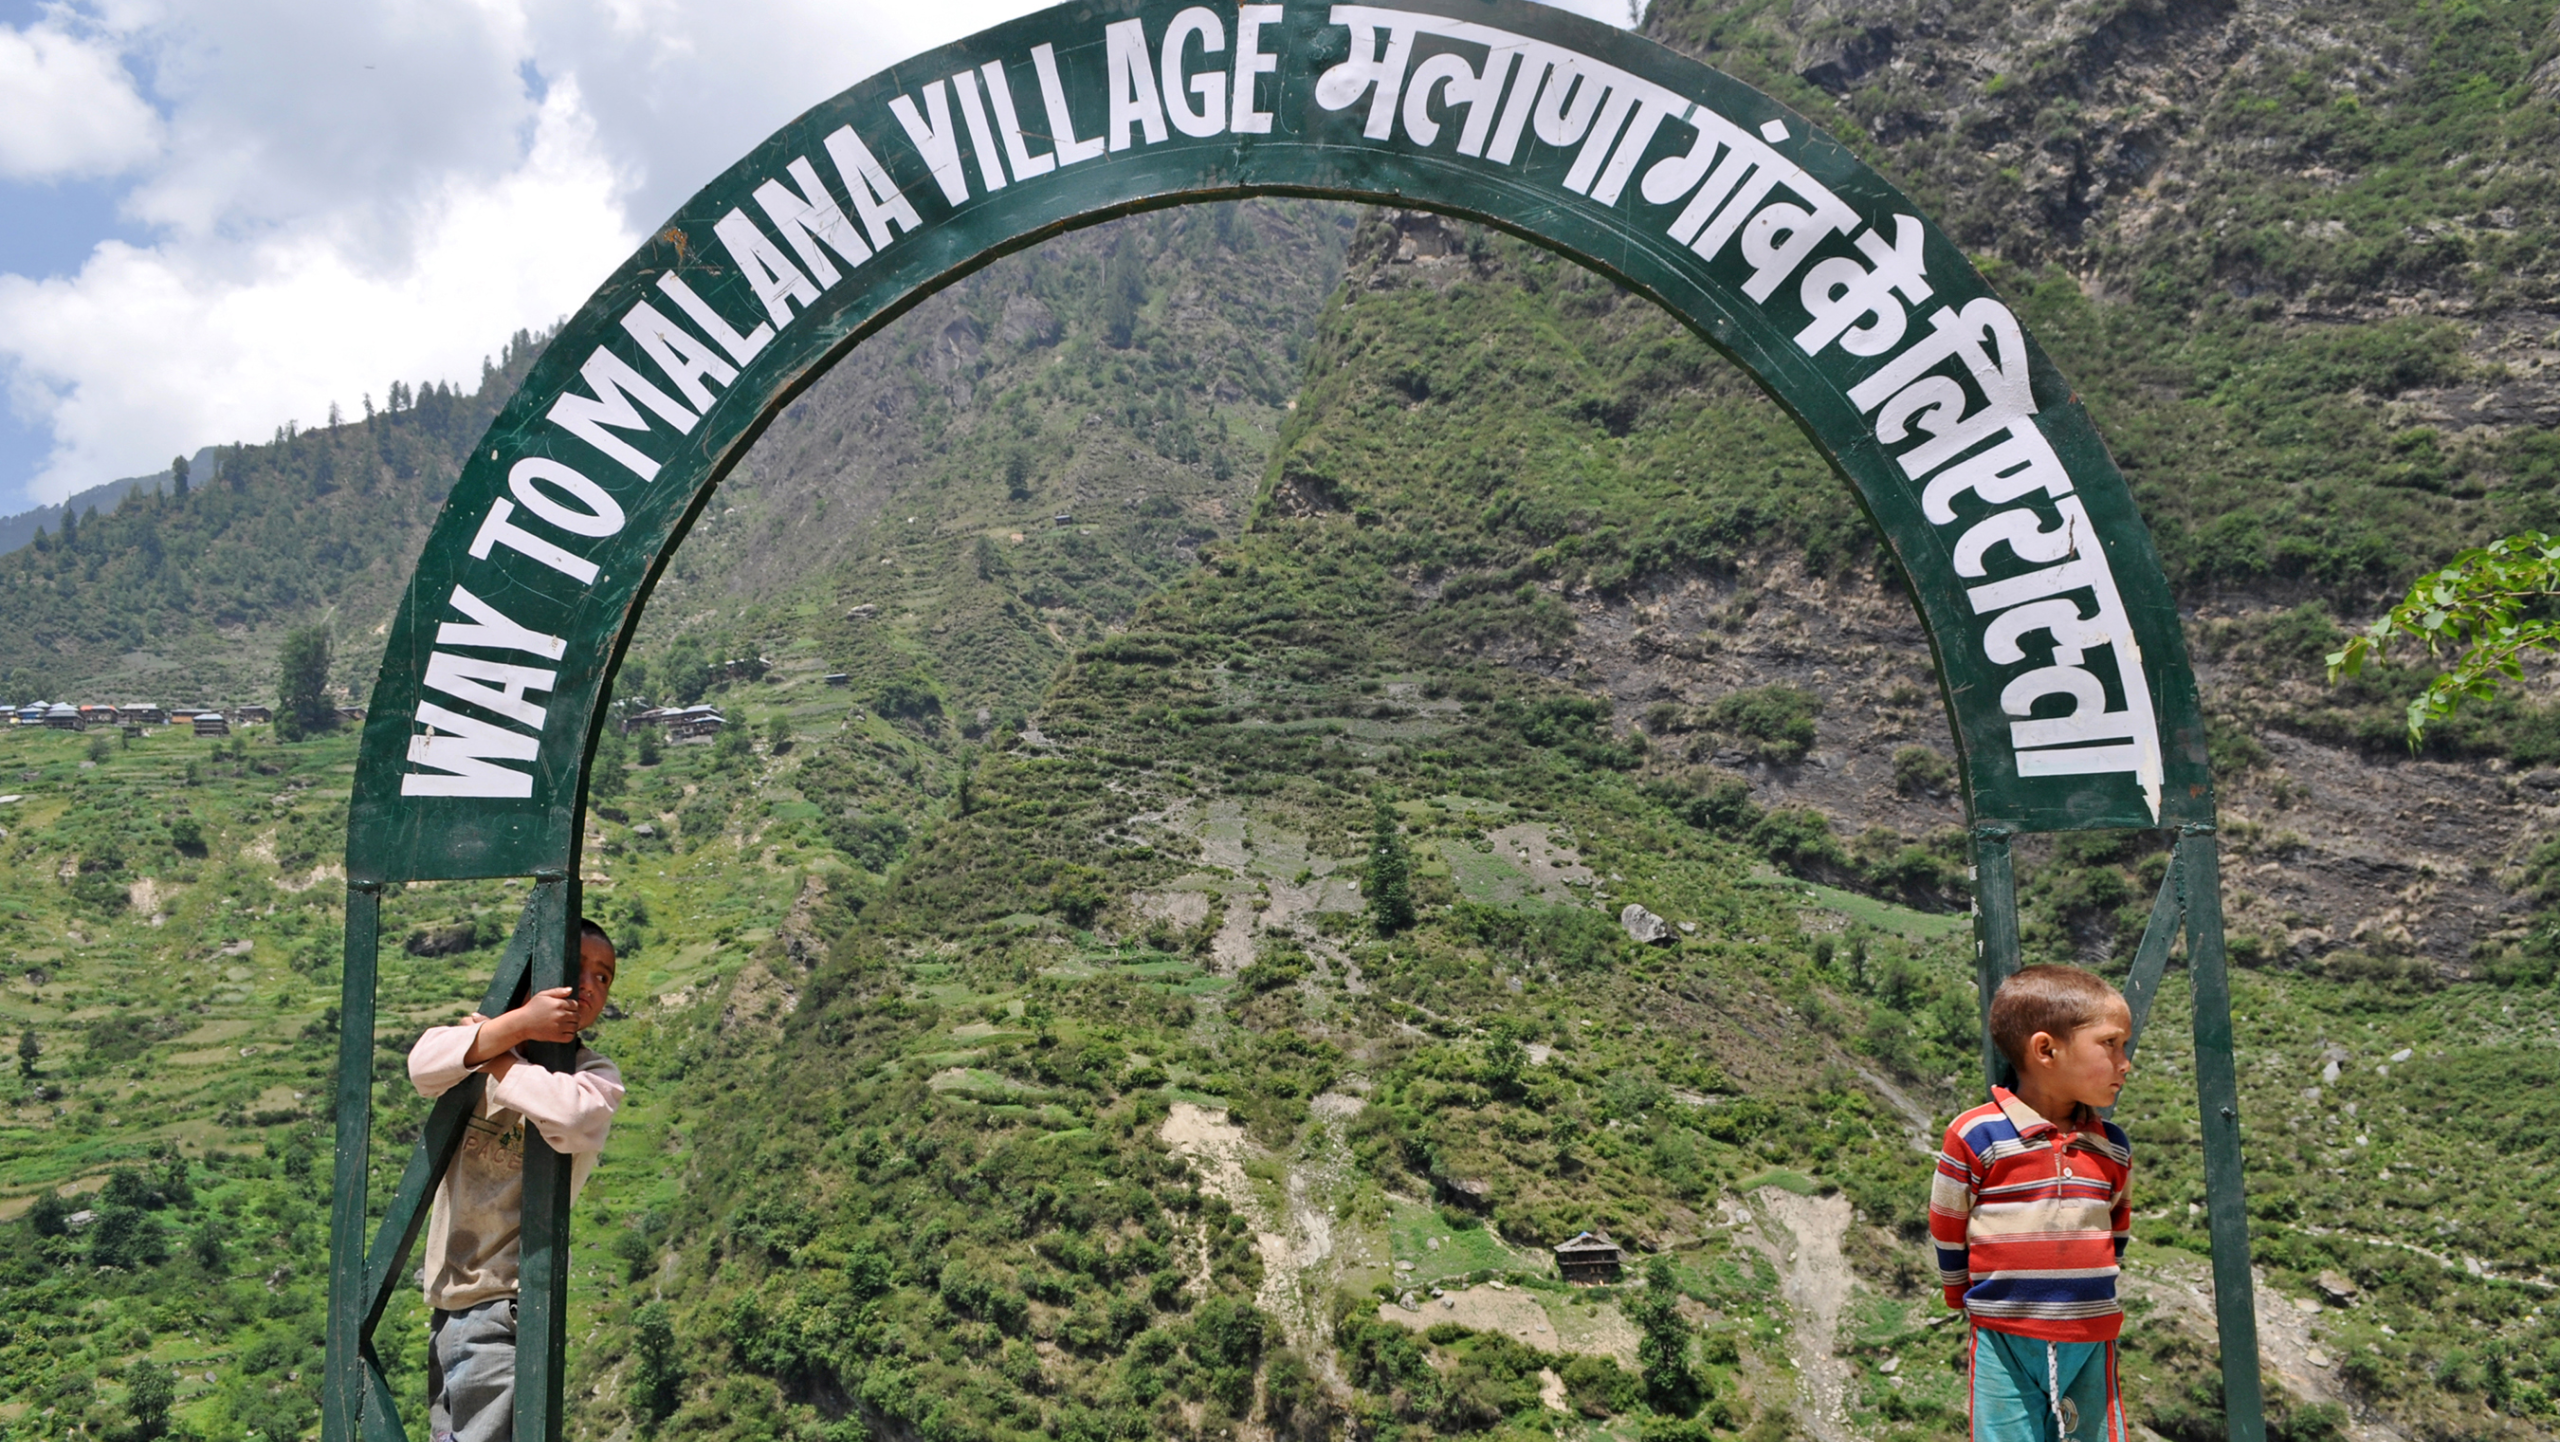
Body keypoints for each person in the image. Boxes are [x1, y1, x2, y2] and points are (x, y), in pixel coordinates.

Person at [408, 919, 625, 1442]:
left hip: (508, 1303)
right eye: (576, 967)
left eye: (603, 976)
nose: (589, 984)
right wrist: (514, 1027)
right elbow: (422, 1065)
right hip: (448, 1303)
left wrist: (500, 1059)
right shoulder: (475, 1047)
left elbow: (572, 1114)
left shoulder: (593, 1075)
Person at [1930, 963, 2135, 1442]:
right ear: (2046, 1050)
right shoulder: (1976, 1134)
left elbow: (2116, 1227)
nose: (2124, 1063)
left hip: (2091, 1336)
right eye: (2110, 1044)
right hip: (2003, 1335)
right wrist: (1959, 1295)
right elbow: (1948, 1221)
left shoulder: (2112, 1146)